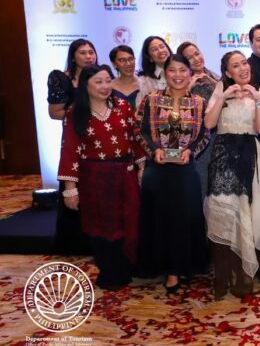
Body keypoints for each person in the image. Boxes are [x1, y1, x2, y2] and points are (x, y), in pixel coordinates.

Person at [204, 51, 260, 300]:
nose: (242, 68)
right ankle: (222, 275)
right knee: (223, 213)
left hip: (251, 154)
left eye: (244, 63)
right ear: (228, 72)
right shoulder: (220, 88)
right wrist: (224, 97)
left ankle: (245, 275)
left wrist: (258, 101)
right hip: (223, 155)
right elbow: (209, 124)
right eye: (236, 66)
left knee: (251, 214)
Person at [58, 64, 145, 290]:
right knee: (101, 227)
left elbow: (136, 139)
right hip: (94, 180)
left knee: (129, 222)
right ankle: (109, 270)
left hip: (125, 176)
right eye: (98, 82)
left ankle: (127, 267)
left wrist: (142, 167)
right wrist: (70, 188)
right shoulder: (75, 113)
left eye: (108, 81)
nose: (105, 86)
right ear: (85, 85)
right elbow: (69, 151)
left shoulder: (123, 107)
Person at [135, 54, 210, 294]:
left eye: (182, 70)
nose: (178, 75)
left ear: (190, 73)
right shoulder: (151, 100)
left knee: (186, 219)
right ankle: (169, 270)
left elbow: (204, 135)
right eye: (172, 70)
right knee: (161, 219)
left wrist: (191, 151)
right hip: (157, 169)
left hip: (186, 169)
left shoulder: (199, 102)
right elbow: (139, 130)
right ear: (165, 73)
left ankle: (184, 265)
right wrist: (154, 150)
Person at [47, 38, 97, 256]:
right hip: (74, 139)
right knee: (72, 186)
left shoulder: (100, 78)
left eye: (91, 52)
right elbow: (54, 112)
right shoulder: (61, 78)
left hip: (98, 142)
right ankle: (74, 244)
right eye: (83, 53)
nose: (88, 56)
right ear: (73, 55)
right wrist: (81, 112)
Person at [177, 41, 219, 197]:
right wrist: (187, 88)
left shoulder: (214, 76)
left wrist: (215, 83)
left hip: (220, 138)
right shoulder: (182, 82)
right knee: (202, 185)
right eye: (189, 57)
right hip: (199, 142)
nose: (196, 59)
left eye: (197, 53)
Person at [137, 36, 172, 105]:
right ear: (150, 58)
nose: (160, 51)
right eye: (154, 50)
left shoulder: (184, 71)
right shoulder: (144, 81)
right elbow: (141, 108)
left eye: (162, 47)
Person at [110, 45, 142, 109]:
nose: (128, 64)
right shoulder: (109, 87)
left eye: (131, 59)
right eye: (122, 60)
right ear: (114, 64)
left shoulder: (144, 84)